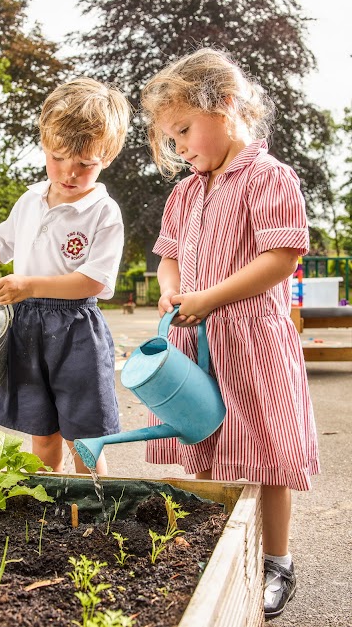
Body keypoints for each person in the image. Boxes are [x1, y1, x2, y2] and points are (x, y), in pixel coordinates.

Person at [140, 47, 319, 619]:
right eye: (172, 139)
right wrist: (172, 289)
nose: (181, 147)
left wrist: (210, 298)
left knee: (265, 448)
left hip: (252, 340)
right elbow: (167, 258)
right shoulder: (186, 192)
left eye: (185, 130)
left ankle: (276, 562)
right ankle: (213, 553)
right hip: (193, 338)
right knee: (204, 442)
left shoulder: (269, 177)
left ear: (225, 106)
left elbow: (281, 257)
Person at [0, 78, 130, 476]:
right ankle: (46, 510)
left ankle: (94, 514)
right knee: (41, 431)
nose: (69, 172)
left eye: (85, 164)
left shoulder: (103, 212)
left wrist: (28, 285)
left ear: (107, 158)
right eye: (58, 157)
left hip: (76, 329)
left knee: (85, 434)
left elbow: (93, 282)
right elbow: (1, 242)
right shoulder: (30, 199)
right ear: (45, 146)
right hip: (26, 324)